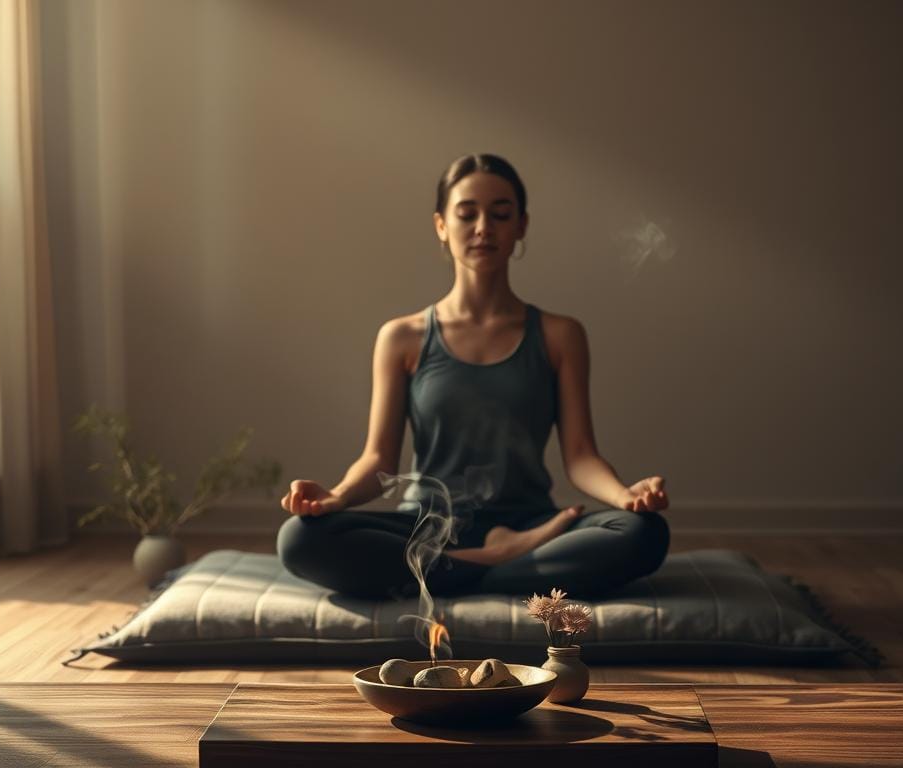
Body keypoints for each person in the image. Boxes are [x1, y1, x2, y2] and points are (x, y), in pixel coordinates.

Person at [277, 153, 670, 600]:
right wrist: (337, 496)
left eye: (500, 214)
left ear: (521, 225)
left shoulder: (560, 335)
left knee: (643, 533)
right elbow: (378, 460)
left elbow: (580, 456)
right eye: (467, 214)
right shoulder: (402, 337)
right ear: (441, 225)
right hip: (425, 526)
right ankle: (499, 565)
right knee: (300, 538)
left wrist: (624, 496)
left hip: (529, 523)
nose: (484, 227)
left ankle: (448, 574)